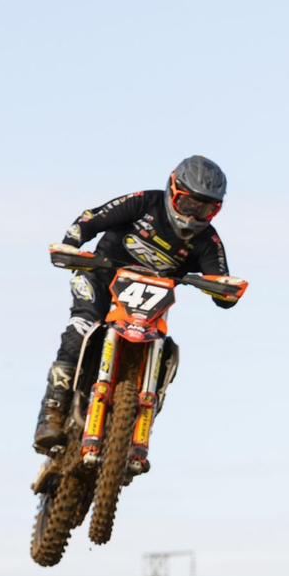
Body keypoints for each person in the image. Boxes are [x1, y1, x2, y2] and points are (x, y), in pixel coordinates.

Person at [32, 155, 240, 453]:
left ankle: (140, 426)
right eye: (188, 204)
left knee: (167, 351)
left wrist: (225, 290)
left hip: (149, 302)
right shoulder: (144, 202)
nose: (195, 215)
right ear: (172, 190)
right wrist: (70, 243)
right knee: (81, 328)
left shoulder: (208, 240)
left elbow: (221, 281)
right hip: (101, 278)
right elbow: (92, 218)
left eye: (206, 209)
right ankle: (52, 413)